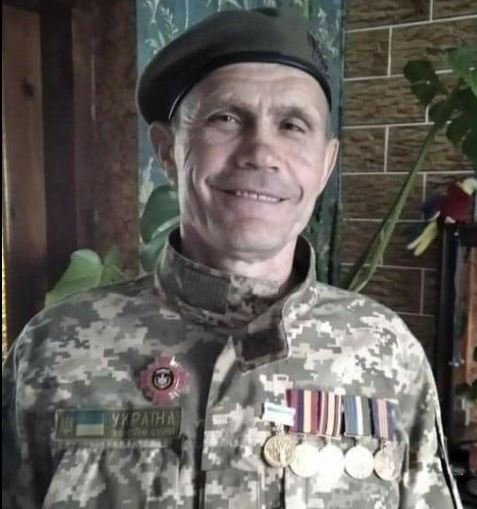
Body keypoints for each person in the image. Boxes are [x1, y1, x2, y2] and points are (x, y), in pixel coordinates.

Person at [2, 8, 462, 509]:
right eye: (225, 118)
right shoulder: (54, 348)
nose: (260, 152)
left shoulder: (388, 352)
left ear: (326, 164)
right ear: (167, 149)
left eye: (292, 125)